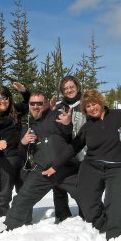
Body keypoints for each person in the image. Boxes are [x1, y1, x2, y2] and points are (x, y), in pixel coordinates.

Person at [42, 89, 121, 240]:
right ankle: (104, 225)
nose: (92, 108)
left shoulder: (118, 115)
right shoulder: (88, 126)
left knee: (116, 203)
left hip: (119, 166)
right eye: (87, 107)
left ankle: (117, 238)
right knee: (87, 200)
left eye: (94, 104)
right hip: (92, 166)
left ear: (101, 102)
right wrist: (55, 166)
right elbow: (73, 148)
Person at [3, 90, 80, 230]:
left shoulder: (56, 116)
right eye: (33, 103)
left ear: (45, 104)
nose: (36, 106)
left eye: (39, 103)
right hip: (42, 171)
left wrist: (68, 124)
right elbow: (22, 154)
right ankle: (10, 229)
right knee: (21, 199)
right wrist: (24, 142)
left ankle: (97, 225)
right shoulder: (28, 127)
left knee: (86, 194)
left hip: (65, 167)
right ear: (29, 105)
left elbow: (67, 132)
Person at [0, 83, 30, 217]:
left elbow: (28, 103)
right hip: (4, 159)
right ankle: (0, 219)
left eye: (5, 97)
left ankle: (24, 217)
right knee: (4, 192)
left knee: (25, 189)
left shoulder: (15, 111)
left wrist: (24, 91)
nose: (3, 101)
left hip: (21, 156)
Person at [53, 75, 86, 223]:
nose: (69, 90)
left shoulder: (86, 104)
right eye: (66, 88)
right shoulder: (59, 107)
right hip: (64, 151)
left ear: (77, 87)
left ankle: (85, 214)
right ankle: (62, 214)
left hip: (84, 152)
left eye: (71, 87)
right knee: (59, 183)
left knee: (83, 184)